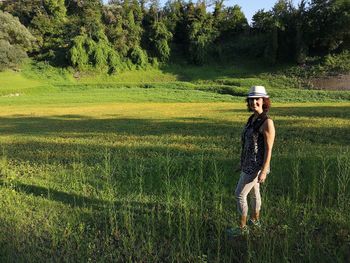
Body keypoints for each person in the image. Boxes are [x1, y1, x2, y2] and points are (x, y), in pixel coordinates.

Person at [228, 85, 275, 236]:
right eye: (251, 99)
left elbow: (269, 149)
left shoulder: (267, 122)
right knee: (255, 193)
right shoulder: (252, 119)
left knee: (240, 194)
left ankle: (242, 229)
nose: (254, 102)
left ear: (264, 101)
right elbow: (248, 144)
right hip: (248, 163)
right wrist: (242, 162)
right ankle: (255, 222)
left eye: (257, 99)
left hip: (256, 166)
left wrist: (264, 170)